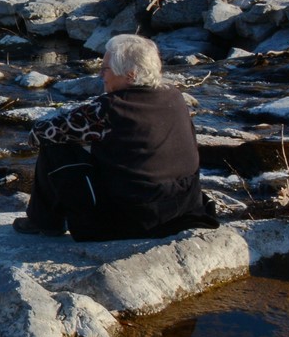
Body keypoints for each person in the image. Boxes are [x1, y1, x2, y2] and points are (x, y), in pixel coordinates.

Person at [13, 33, 217, 241]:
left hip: (134, 219)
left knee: (56, 148)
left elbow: (37, 135)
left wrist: (80, 136)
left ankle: (43, 222)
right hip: (183, 207)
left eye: (106, 69)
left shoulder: (108, 108)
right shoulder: (174, 95)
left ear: (129, 75)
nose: (101, 75)